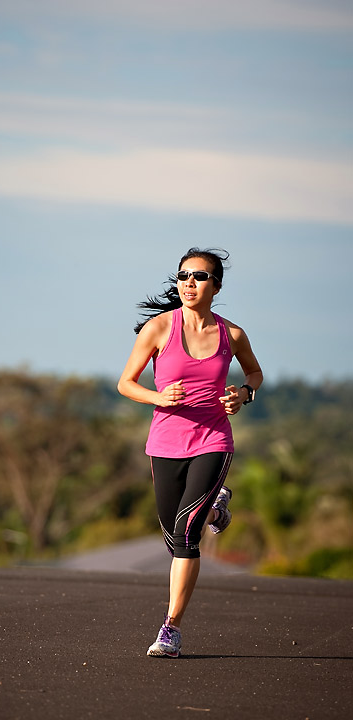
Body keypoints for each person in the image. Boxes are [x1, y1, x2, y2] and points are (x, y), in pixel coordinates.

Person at [117, 247, 263, 658]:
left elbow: (254, 372)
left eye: (199, 276)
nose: (189, 283)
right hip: (165, 444)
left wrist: (244, 394)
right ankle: (218, 511)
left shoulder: (232, 334)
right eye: (183, 276)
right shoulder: (159, 329)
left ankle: (171, 629)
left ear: (216, 285)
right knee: (172, 533)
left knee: (184, 534)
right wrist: (158, 398)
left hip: (213, 441)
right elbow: (126, 383)